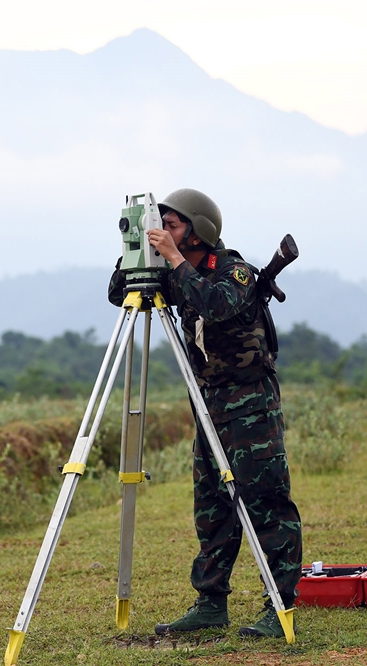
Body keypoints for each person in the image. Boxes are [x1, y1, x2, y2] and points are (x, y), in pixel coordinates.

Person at [107, 188, 302, 638]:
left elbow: (216, 305)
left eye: (171, 224)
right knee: (212, 506)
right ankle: (211, 603)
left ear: (197, 232)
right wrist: (135, 253)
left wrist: (174, 259)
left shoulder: (232, 271)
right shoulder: (175, 271)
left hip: (250, 401)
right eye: (160, 223)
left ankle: (280, 606)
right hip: (208, 402)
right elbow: (118, 294)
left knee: (265, 502)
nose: (162, 231)